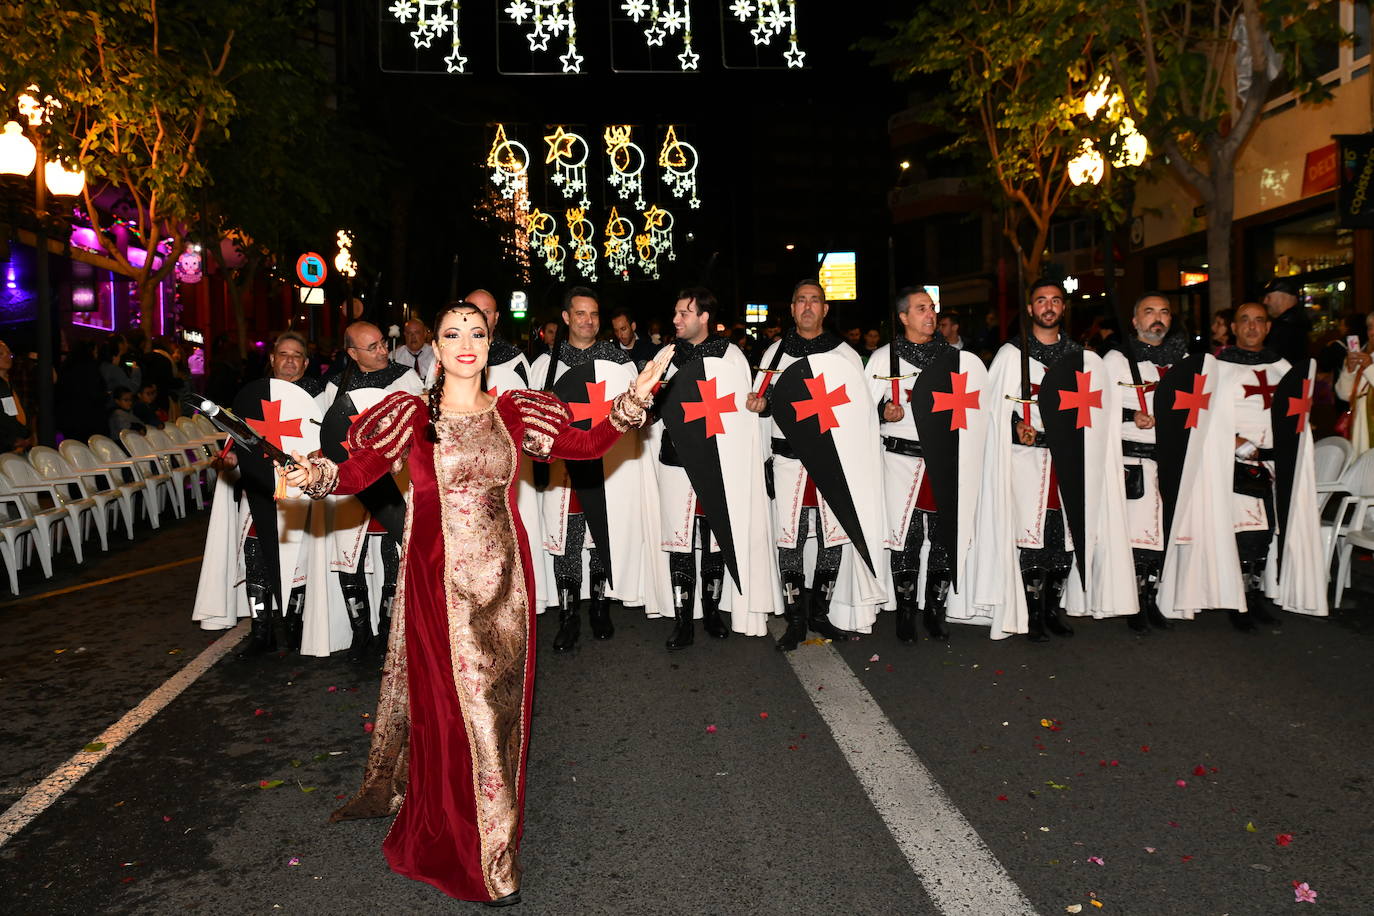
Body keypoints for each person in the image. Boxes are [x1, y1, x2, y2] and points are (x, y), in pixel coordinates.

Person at [286, 301, 668, 907]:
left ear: (491, 346)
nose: (466, 342)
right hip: (437, 583)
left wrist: (631, 402)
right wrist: (319, 476)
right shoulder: (412, 415)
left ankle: (480, 835)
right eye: (452, 333)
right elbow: (357, 471)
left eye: (478, 333)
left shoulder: (514, 410)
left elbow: (586, 445)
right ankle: (492, 861)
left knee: (500, 713)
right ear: (434, 348)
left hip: (506, 582)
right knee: (464, 718)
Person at [972, 280, 1137, 641]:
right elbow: (994, 408)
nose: (1048, 306)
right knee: (1031, 533)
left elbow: (1097, 410)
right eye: (1041, 301)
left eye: (1056, 301)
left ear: (1064, 308)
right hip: (1025, 459)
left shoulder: (1083, 358)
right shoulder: (1010, 355)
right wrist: (1017, 425)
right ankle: (1031, 612)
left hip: (1069, 460)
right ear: (1030, 309)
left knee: (1063, 532)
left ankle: (1052, 607)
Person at [1160, 302, 1326, 627]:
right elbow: (1203, 415)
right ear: (1233, 328)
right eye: (1245, 321)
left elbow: (1296, 414)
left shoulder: (1283, 367)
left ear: (1268, 328)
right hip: (1232, 461)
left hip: (1275, 463)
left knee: (1265, 533)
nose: (1252, 327)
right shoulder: (1218, 369)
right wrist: (1234, 441)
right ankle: (1239, 604)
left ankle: (1252, 594)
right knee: (1242, 531)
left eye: (1259, 321)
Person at [747, 280, 887, 649]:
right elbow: (758, 406)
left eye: (815, 301)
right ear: (791, 309)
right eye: (801, 301)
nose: (808, 307)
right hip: (788, 460)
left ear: (825, 309)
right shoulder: (773, 356)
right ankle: (795, 619)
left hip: (831, 463)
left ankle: (819, 614)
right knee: (789, 538)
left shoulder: (845, 356)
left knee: (833, 536)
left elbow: (859, 414)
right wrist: (760, 411)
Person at [647, 287, 778, 648]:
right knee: (681, 543)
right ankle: (683, 620)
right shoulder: (667, 356)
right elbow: (652, 410)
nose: (676, 320)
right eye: (675, 312)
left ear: (704, 317)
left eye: (684, 313)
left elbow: (746, 409)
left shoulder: (731, 355)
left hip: (719, 461)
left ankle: (714, 611)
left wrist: (759, 406)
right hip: (676, 461)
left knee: (716, 537)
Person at [528, 287, 652, 651]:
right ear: (566, 317)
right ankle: (568, 616)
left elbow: (638, 412)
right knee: (567, 539)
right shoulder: (545, 365)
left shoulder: (619, 361)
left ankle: (600, 607)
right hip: (564, 470)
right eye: (580, 314)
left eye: (594, 314)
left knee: (601, 535)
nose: (589, 321)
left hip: (605, 465)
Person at [192, 331, 327, 656]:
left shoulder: (320, 399)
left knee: (301, 561)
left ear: (306, 362)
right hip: (260, 492)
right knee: (256, 555)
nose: (290, 361)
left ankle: (295, 629)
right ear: (272, 359)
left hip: (301, 494)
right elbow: (238, 443)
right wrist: (231, 460)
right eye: (283, 354)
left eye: (297, 355)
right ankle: (261, 630)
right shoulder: (253, 397)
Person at [868, 288, 986, 643]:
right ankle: (906, 611)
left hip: (943, 460)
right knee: (906, 536)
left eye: (932, 308)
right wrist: (882, 412)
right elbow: (857, 413)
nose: (930, 314)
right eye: (921, 309)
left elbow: (975, 411)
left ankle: (935, 608)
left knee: (942, 533)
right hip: (898, 459)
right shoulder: (883, 358)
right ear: (903, 317)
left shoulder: (955, 359)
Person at [319, 322, 423, 660]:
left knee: (396, 551)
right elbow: (326, 431)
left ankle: (388, 635)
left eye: (382, 344)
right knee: (350, 556)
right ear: (352, 353)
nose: (382, 351)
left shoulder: (406, 378)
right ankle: (359, 633)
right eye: (372, 347)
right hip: (350, 480)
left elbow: (417, 427)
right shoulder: (336, 385)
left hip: (392, 479)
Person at [1102, 294, 1186, 633]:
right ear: (1135, 321)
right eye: (1148, 311)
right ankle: (1134, 602)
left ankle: (1153, 598)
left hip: (1169, 459)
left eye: (1164, 312)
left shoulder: (1180, 360)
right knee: (1137, 537)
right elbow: (1099, 404)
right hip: (1131, 457)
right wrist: (1130, 415)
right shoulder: (1116, 360)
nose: (1157, 318)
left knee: (1163, 533)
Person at [54, 340, 108, 443]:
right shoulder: (91, 369)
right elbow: (96, 394)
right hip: (89, 421)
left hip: (69, 421)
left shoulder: (67, 368)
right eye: (96, 352)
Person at [1335, 312, 1374, 452]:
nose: (1372, 332)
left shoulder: (1367, 360)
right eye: (1370, 327)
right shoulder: (1362, 353)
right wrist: (1350, 370)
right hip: (1360, 423)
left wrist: (1370, 368)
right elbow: (1344, 394)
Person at [1263, 278, 1310, 368]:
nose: (1265, 301)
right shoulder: (1300, 321)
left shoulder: (1284, 327)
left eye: (1269, 297)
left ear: (1283, 297)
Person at [0, 339, 33, 453]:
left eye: (9, 353)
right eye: (1, 354)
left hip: (17, 446)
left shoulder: (8, 382)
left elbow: (13, 412)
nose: (7, 357)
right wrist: (12, 440)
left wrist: (27, 433)